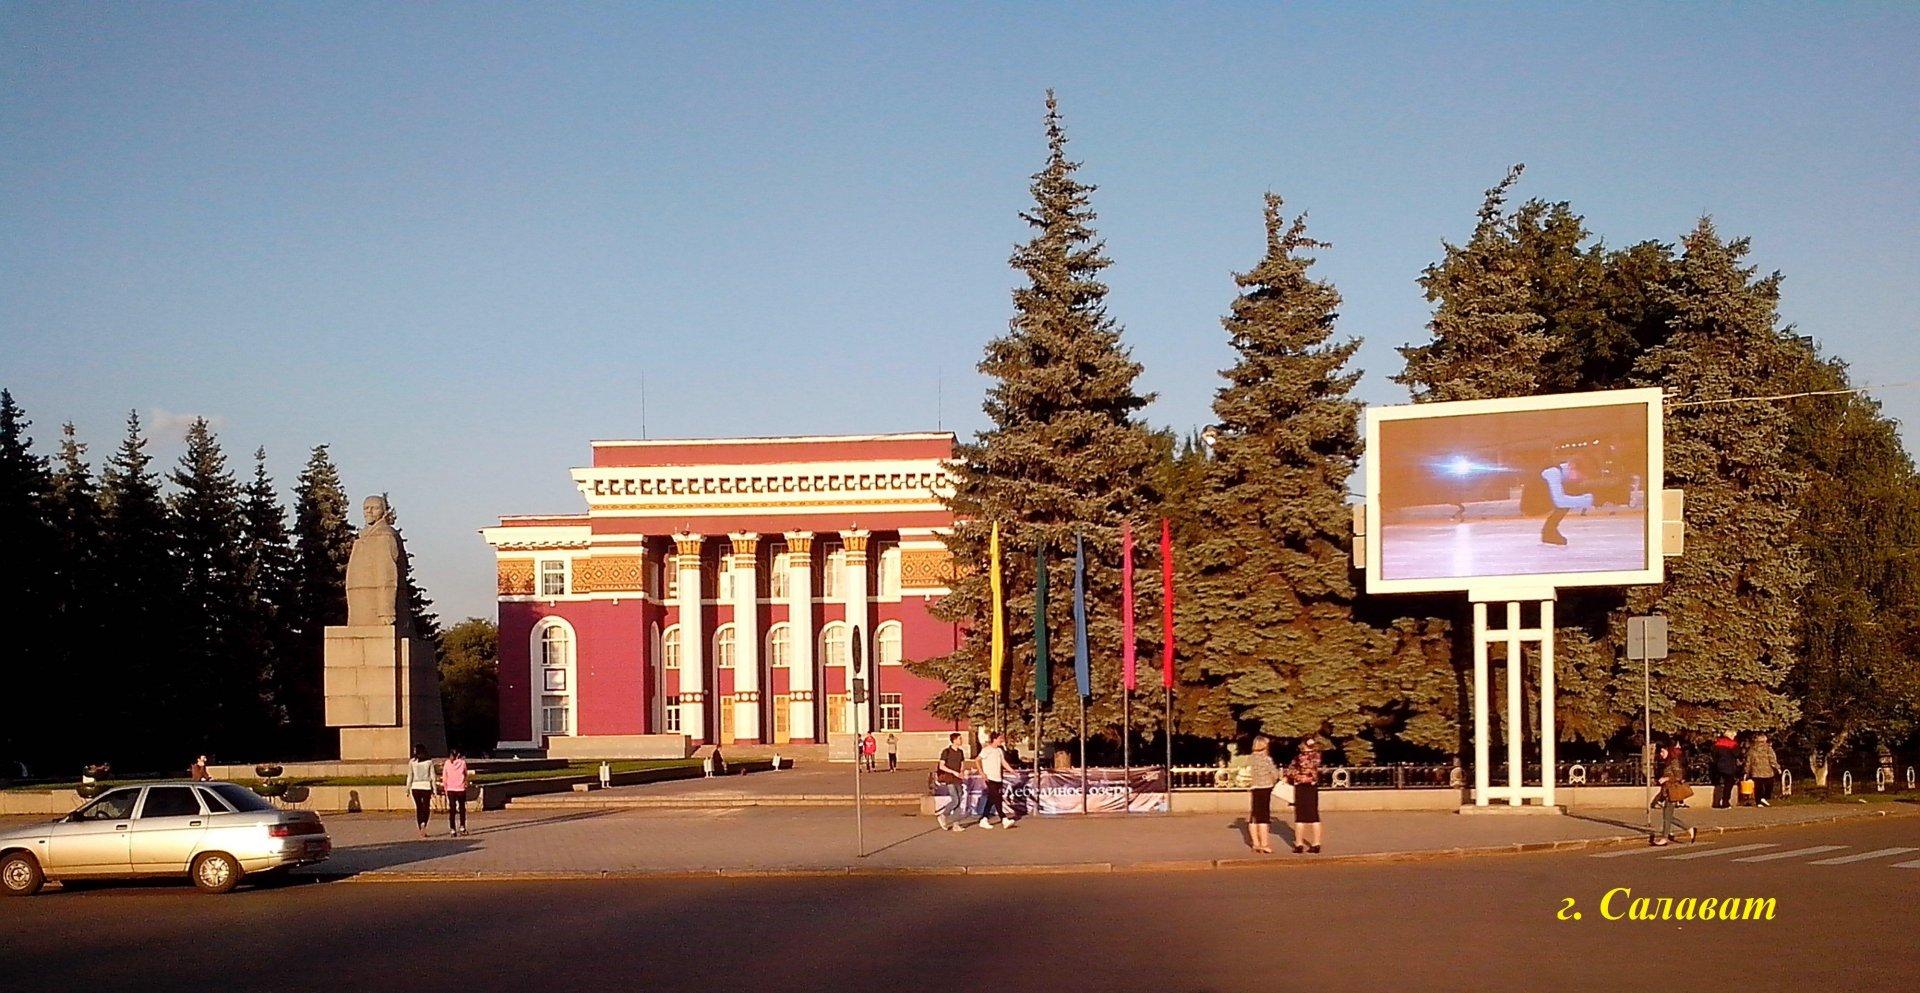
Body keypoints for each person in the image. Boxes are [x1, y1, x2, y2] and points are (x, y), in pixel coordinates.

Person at [1652, 742, 1697, 845]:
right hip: (1667, 792)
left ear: (1668, 750)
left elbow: (1679, 776)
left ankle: (1664, 838)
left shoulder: (1674, 761)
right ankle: (1689, 829)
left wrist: (1666, 778)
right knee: (1667, 817)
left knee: (1667, 817)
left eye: (1662, 751)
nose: (1661, 754)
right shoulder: (1667, 762)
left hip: (1673, 792)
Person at [1286, 737, 1323, 854]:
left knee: (1300, 817)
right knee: (1314, 816)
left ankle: (1299, 844)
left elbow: (1290, 771)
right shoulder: (1317, 757)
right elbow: (1316, 768)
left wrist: (1296, 775)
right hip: (1312, 787)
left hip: (1301, 787)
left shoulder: (1299, 758)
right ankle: (1316, 843)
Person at [975, 731, 1017, 829]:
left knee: (991, 799)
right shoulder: (986, 750)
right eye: (999, 739)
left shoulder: (999, 751)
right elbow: (977, 760)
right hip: (990, 778)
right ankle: (1004, 819)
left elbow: (1003, 762)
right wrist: (981, 772)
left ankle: (984, 819)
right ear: (994, 739)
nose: (1001, 741)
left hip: (998, 778)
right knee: (997, 798)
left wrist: (1012, 771)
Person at [1247, 735, 1279, 854]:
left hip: (1254, 788)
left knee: (1254, 816)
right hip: (1265, 788)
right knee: (1263, 817)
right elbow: (1275, 774)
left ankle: (1255, 843)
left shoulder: (1250, 759)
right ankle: (1264, 844)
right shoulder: (1266, 759)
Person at [935, 731, 969, 831]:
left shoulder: (960, 752)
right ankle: (943, 815)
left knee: (959, 800)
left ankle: (956, 824)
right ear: (954, 740)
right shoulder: (946, 751)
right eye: (959, 739)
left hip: (958, 778)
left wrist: (962, 771)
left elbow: (962, 763)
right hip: (950, 778)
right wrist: (953, 772)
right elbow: (942, 765)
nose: (961, 740)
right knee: (955, 800)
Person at [407, 744, 435, 839]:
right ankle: (424, 823)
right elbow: (432, 777)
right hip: (426, 786)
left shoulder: (412, 762)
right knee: (426, 807)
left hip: (415, 786)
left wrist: (408, 788)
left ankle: (421, 824)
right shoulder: (429, 762)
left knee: (419, 807)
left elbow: (410, 776)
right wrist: (434, 789)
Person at [1745, 733, 1779, 807]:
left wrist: (1746, 771)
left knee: (1758, 787)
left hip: (1755, 771)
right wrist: (1777, 767)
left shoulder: (1752, 749)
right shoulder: (1768, 749)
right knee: (1768, 785)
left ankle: (1758, 802)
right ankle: (1765, 797)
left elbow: (1748, 761)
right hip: (1767, 771)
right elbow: (1772, 759)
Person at [442, 748, 470, 837]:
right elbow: (465, 774)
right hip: (460, 789)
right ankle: (462, 827)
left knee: (452, 809)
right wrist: (465, 782)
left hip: (450, 789)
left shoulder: (447, 763)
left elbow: (444, 777)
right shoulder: (462, 763)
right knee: (462, 809)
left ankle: (452, 829)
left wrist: (445, 788)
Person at [1710, 730, 1742, 808]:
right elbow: (1738, 754)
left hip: (1718, 766)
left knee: (1718, 785)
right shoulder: (1733, 744)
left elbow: (1713, 754)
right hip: (1729, 767)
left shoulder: (1717, 744)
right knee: (1728, 785)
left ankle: (1716, 802)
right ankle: (1725, 802)